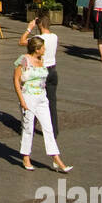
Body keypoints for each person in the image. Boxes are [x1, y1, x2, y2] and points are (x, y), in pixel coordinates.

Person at [13, 35, 71, 172]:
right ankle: (26, 157)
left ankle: (56, 158)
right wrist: (22, 100)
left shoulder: (41, 59)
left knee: (48, 128)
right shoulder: (24, 60)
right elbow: (16, 80)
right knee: (28, 128)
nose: (45, 49)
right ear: (37, 49)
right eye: (43, 47)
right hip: (28, 97)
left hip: (42, 97)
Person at [21, 11, 59, 134]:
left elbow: (21, 41)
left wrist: (29, 28)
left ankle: (29, 126)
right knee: (51, 102)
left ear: (40, 25)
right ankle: (54, 130)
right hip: (53, 71)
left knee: (35, 100)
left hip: (41, 72)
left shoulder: (39, 40)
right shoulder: (55, 37)